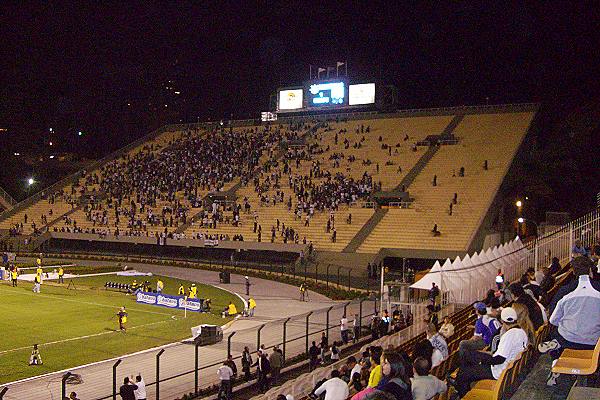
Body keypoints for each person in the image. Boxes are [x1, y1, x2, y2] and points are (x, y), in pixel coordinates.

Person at [539, 256, 600, 386]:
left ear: (573, 272)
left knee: (556, 331)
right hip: (594, 343)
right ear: (590, 270)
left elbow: (553, 320)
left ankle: (556, 358)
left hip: (568, 340)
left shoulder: (564, 291)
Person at [449, 307, 528, 398]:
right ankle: (460, 382)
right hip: (505, 368)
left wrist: (481, 361)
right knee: (467, 356)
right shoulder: (521, 332)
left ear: (502, 321)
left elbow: (498, 359)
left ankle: (464, 393)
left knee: (464, 372)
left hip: (497, 371)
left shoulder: (509, 335)